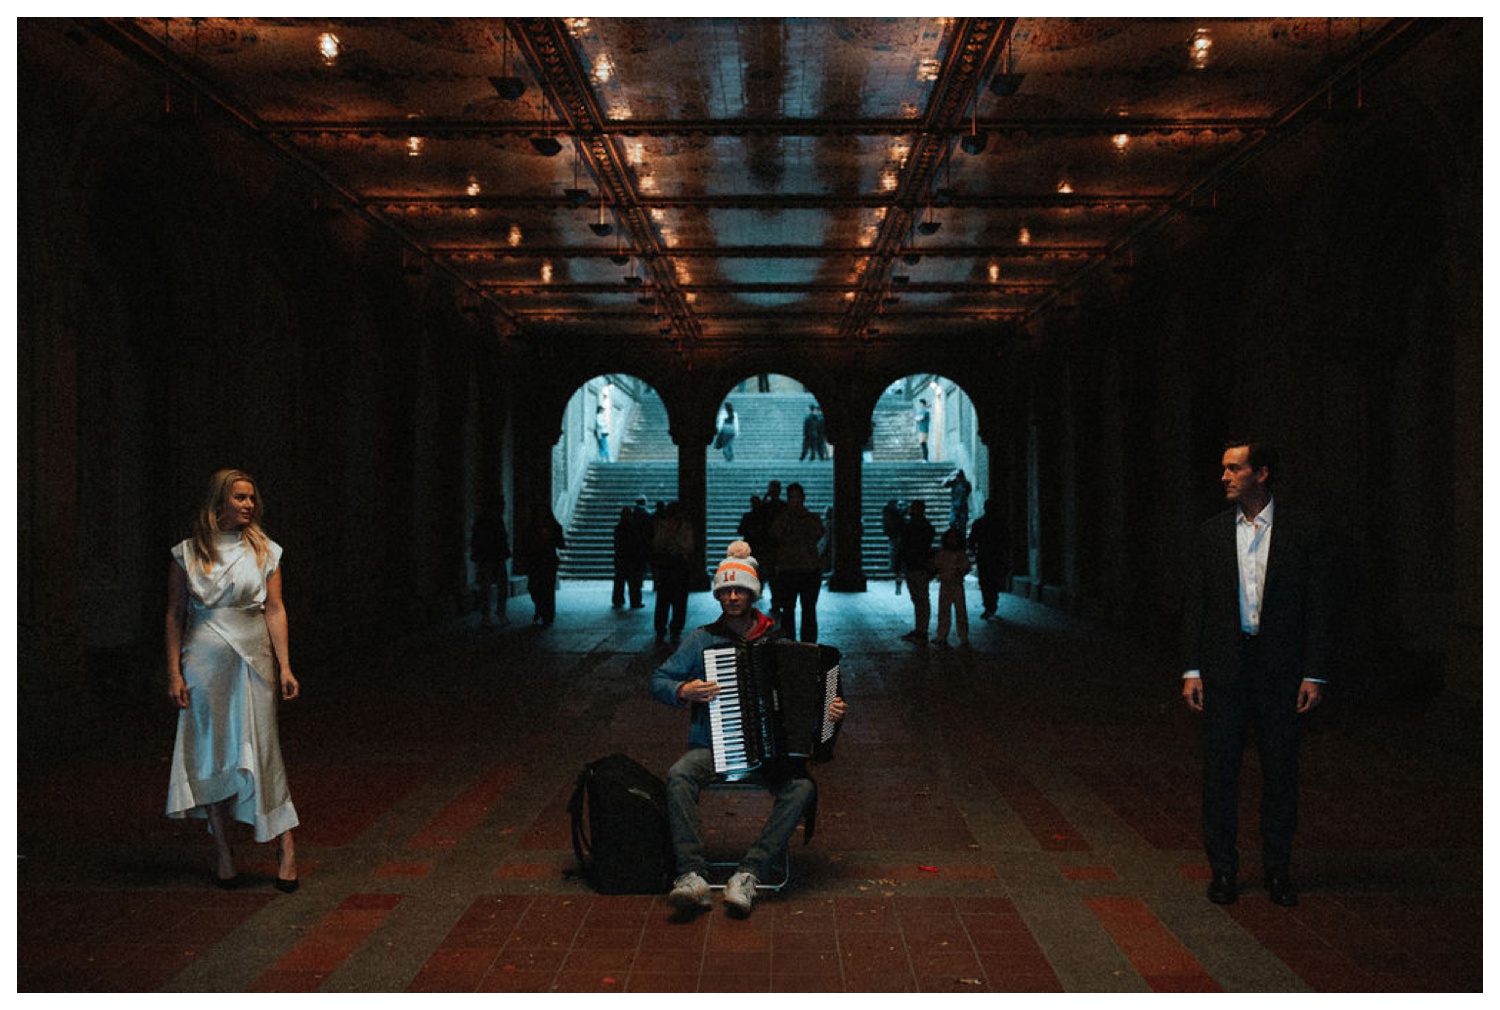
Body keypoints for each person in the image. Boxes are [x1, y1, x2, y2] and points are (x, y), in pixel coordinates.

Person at [650, 541, 847, 917]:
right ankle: (691, 874)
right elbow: (658, 679)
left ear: (752, 594)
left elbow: (811, 695)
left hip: (770, 755)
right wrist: (683, 689)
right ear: (718, 595)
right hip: (713, 746)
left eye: (739, 590)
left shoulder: (777, 639)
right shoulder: (702, 639)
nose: (732, 596)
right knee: (679, 775)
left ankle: (749, 873)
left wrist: (829, 712)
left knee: (802, 787)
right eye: (725, 591)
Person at [1181, 438, 1329, 908]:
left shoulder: (1300, 531)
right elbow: (1197, 604)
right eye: (1224, 468)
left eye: (1233, 469)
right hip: (1225, 666)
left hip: (1280, 669)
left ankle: (1277, 871)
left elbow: (1318, 606)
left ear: (1261, 474)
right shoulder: (1212, 532)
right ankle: (1224, 870)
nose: (1224, 477)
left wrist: (1314, 673)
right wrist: (1191, 669)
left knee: (1281, 773)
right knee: (1220, 773)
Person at [165, 469, 300, 892]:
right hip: (203, 659)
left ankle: (285, 845)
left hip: (254, 657)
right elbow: (174, 614)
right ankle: (223, 850)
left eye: (251, 498)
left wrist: (286, 666)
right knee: (210, 748)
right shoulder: (187, 553)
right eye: (240, 498)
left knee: (263, 745)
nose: (248, 505)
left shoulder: (265, 551)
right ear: (219, 501)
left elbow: (275, 609)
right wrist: (173, 672)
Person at [769, 482, 825, 642]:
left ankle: (808, 645)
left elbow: (818, 533)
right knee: (788, 610)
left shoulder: (811, 518)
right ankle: (790, 646)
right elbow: (774, 534)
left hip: (808, 569)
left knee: (808, 610)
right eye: (791, 497)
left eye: (797, 497)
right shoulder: (782, 519)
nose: (794, 501)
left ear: (803, 498)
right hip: (788, 569)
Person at [651, 500, 696, 643]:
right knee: (677, 600)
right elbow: (689, 546)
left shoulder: (663, 526)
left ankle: (664, 628)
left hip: (669, 565)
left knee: (665, 599)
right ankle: (673, 629)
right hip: (677, 564)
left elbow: (657, 544)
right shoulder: (684, 527)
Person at [898, 499, 936, 643]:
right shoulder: (925, 527)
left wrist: (899, 565)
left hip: (915, 565)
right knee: (921, 599)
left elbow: (904, 546)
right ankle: (921, 629)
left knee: (920, 599)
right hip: (919, 565)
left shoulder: (913, 527)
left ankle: (922, 630)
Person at [470, 495, 511, 626]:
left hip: (490, 556)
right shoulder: (492, 521)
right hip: (491, 556)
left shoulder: (486, 520)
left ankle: (489, 615)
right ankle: (495, 613)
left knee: (488, 586)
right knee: (494, 585)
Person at [522, 507, 565, 626]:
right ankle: (541, 609)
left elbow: (561, 544)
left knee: (547, 588)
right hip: (537, 560)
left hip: (547, 561)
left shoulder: (554, 527)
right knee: (535, 587)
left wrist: (551, 538)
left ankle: (547, 613)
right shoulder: (532, 528)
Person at [931, 527, 971, 647]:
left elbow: (966, 567)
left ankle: (961, 635)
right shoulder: (948, 554)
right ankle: (943, 634)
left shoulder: (955, 554)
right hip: (949, 584)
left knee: (959, 610)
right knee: (945, 610)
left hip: (954, 584)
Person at [966, 504, 1007, 620]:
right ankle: (992, 604)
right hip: (996, 556)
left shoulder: (979, 523)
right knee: (994, 580)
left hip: (984, 555)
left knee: (985, 582)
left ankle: (989, 605)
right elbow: (1007, 539)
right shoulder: (1001, 524)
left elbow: (972, 540)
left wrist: (973, 551)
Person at [612, 505, 650, 609]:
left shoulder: (619, 527)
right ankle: (635, 601)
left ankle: (618, 600)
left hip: (621, 558)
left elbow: (617, 544)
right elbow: (638, 543)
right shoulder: (634, 528)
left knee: (619, 581)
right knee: (634, 583)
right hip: (632, 559)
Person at [881, 499, 907, 595]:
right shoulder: (898, 515)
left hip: (893, 537)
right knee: (900, 558)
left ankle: (897, 573)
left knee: (895, 556)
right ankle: (899, 576)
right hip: (900, 537)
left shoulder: (888, 514)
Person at [943, 469, 971, 536]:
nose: (958, 478)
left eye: (959, 476)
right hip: (955, 506)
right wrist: (950, 476)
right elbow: (944, 484)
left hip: (963, 507)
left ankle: (961, 539)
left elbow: (968, 492)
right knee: (952, 522)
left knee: (962, 525)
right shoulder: (954, 483)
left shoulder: (966, 484)